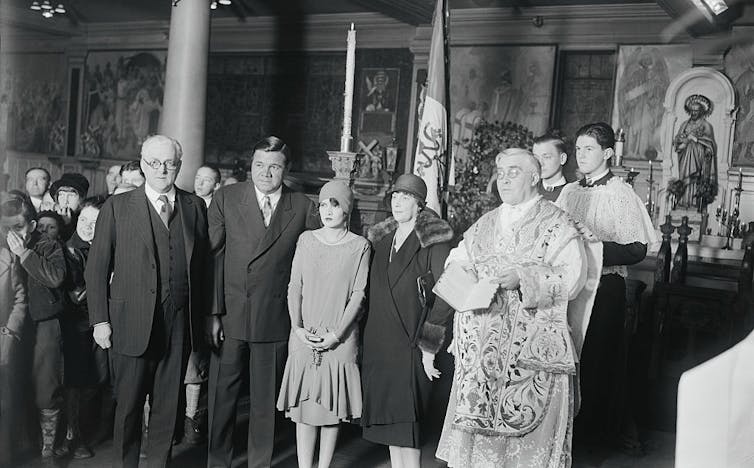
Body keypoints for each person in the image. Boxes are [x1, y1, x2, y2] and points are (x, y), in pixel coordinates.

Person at [436, 148, 601, 468]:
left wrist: (524, 278)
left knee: (524, 449)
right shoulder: (483, 224)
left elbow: (572, 279)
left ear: (535, 177)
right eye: (501, 170)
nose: (505, 177)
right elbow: (455, 262)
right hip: (481, 360)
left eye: (514, 170)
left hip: (529, 359)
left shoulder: (557, 222)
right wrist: (465, 276)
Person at [85, 134, 210, 468]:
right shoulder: (118, 206)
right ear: (142, 163)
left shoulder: (194, 206)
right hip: (130, 321)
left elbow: (204, 270)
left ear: (179, 166)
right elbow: (97, 268)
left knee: (167, 410)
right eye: (154, 162)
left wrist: (206, 319)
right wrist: (100, 320)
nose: (162, 169)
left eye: (169, 162)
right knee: (127, 408)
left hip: (180, 323)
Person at [206, 136, 319, 468]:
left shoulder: (301, 206)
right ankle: (217, 461)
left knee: (264, 401)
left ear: (286, 170)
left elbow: (313, 262)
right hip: (231, 313)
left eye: (274, 166)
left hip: (275, 316)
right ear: (249, 166)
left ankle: (259, 463)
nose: (265, 173)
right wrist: (213, 313)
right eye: (258, 165)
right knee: (222, 396)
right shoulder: (226, 198)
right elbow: (213, 258)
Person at [557, 122, 657, 450]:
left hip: (605, 290)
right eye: (578, 148)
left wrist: (594, 245)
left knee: (596, 365)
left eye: (589, 149)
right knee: (566, 360)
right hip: (569, 289)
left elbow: (637, 248)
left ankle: (590, 441)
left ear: (608, 153)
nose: (580, 155)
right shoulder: (569, 192)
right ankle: (561, 435)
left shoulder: (620, 193)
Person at [362, 174, 454, 468]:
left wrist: (429, 348)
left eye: (405, 197)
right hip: (380, 343)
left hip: (411, 344)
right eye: (395, 196)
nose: (397, 202)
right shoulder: (381, 240)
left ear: (420, 204)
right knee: (391, 425)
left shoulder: (434, 241)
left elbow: (445, 294)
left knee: (407, 428)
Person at [276, 181, 369, 468]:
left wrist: (337, 335)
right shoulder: (307, 239)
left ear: (347, 209)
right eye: (323, 204)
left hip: (339, 340)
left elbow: (358, 294)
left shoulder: (360, 246)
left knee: (331, 410)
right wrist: (297, 327)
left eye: (335, 204)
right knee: (304, 409)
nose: (327, 210)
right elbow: (295, 286)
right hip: (304, 336)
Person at [5, 192, 68, 462]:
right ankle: (17, 445)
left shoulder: (48, 245)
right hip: (11, 328)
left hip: (44, 325)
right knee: (12, 385)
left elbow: (56, 278)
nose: (11, 234)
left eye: (18, 227)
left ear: (31, 226)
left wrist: (24, 253)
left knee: (46, 387)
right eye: (6, 227)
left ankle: (48, 450)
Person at [59, 196, 108, 460]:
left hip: (98, 323)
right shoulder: (70, 250)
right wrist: (109, 280)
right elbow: (76, 295)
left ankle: (85, 431)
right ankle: (73, 437)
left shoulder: (103, 246)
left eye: (95, 222)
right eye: (84, 220)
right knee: (76, 383)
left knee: (97, 380)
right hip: (77, 326)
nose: (87, 227)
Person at [0, 193, 28, 467]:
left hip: (2, 342)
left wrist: (10, 333)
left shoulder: (9, 258)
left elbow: (19, 299)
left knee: (3, 406)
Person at [673, 94, 717, 208]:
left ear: (701, 112)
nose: (693, 113)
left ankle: (693, 202)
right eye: (692, 111)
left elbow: (710, 144)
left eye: (696, 111)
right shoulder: (684, 124)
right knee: (684, 179)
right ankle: (682, 201)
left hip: (698, 157)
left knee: (694, 179)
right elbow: (676, 140)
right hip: (684, 158)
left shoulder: (706, 125)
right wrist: (681, 139)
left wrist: (696, 140)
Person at [50, 172, 89, 241]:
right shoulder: (50, 217)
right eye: (61, 195)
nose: (65, 201)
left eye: (71, 195)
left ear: (82, 198)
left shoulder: (87, 219)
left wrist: (67, 225)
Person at [533, 131, 570, 201]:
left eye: (546, 157)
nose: (540, 163)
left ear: (562, 159)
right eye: (536, 158)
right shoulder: (529, 191)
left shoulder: (572, 194)